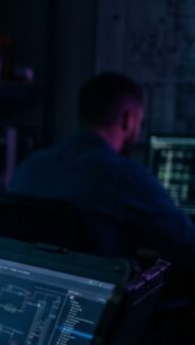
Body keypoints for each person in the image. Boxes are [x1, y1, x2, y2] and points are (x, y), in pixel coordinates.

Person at [10, 71, 195, 275]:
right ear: (128, 119)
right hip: (99, 299)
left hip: (35, 295)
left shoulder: (29, 166)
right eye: (140, 121)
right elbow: (187, 244)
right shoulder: (123, 175)